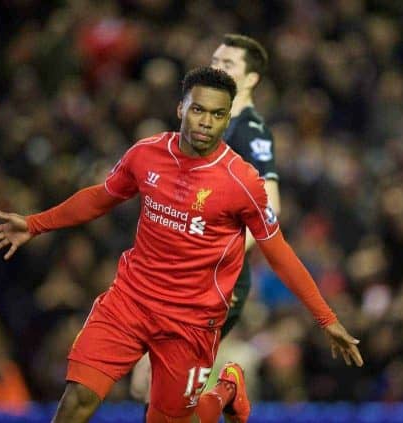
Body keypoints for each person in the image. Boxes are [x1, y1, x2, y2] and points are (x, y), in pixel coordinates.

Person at [0, 67, 363, 423]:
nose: (206, 122)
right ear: (181, 107)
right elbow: (102, 197)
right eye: (198, 109)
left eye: (217, 114)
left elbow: (278, 252)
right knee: (78, 400)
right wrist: (35, 224)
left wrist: (325, 319)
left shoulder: (241, 181)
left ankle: (227, 387)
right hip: (129, 301)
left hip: (191, 322)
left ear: (227, 118)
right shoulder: (146, 153)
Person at [130, 34, 281, 412]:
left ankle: (228, 391)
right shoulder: (213, 124)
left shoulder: (250, 132)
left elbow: (272, 208)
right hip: (180, 276)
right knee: (148, 385)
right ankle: (226, 393)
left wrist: (214, 259)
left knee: (159, 387)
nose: (217, 68)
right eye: (215, 59)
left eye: (228, 65)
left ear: (251, 80)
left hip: (214, 282)